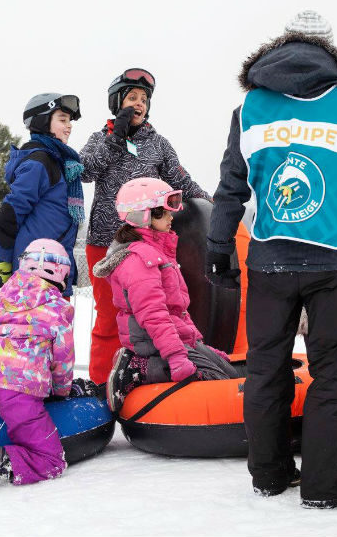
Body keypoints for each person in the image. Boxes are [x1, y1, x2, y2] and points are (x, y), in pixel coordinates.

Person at [206, 11, 337, 508]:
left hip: (268, 261)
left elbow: (231, 187)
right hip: (336, 262)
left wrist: (220, 246)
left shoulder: (251, 107)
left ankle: (268, 475)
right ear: (332, 56)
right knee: (333, 374)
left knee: (266, 369)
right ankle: (328, 486)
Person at [80, 68, 210, 384]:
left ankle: (143, 378)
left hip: (146, 247)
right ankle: (101, 384)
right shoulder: (100, 139)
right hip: (105, 243)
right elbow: (85, 172)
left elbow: (182, 182)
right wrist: (115, 138)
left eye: (143, 99)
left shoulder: (158, 144)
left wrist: (215, 206)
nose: (138, 104)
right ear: (116, 102)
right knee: (110, 319)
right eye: (131, 98)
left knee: (152, 316)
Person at [93, 177, 238, 413]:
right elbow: (154, 316)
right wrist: (177, 357)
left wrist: (198, 345)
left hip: (170, 338)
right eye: (162, 213)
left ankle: (175, 359)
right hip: (150, 343)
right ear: (142, 216)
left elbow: (177, 309)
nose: (171, 217)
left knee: (228, 372)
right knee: (213, 379)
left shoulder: (160, 252)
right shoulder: (141, 260)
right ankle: (137, 368)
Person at [0, 238, 75, 492]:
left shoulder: (5, 299)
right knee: (52, 460)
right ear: (62, 270)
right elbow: (63, 358)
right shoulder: (58, 309)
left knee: (5, 406)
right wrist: (62, 391)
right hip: (19, 392)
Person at [0, 93, 83, 297]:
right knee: (34, 329)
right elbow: (9, 215)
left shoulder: (60, 162)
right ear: (42, 121)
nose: (69, 126)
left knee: (56, 329)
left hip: (54, 268)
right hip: (35, 273)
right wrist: (4, 262)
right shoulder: (40, 162)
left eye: (69, 121)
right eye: (62, 120)